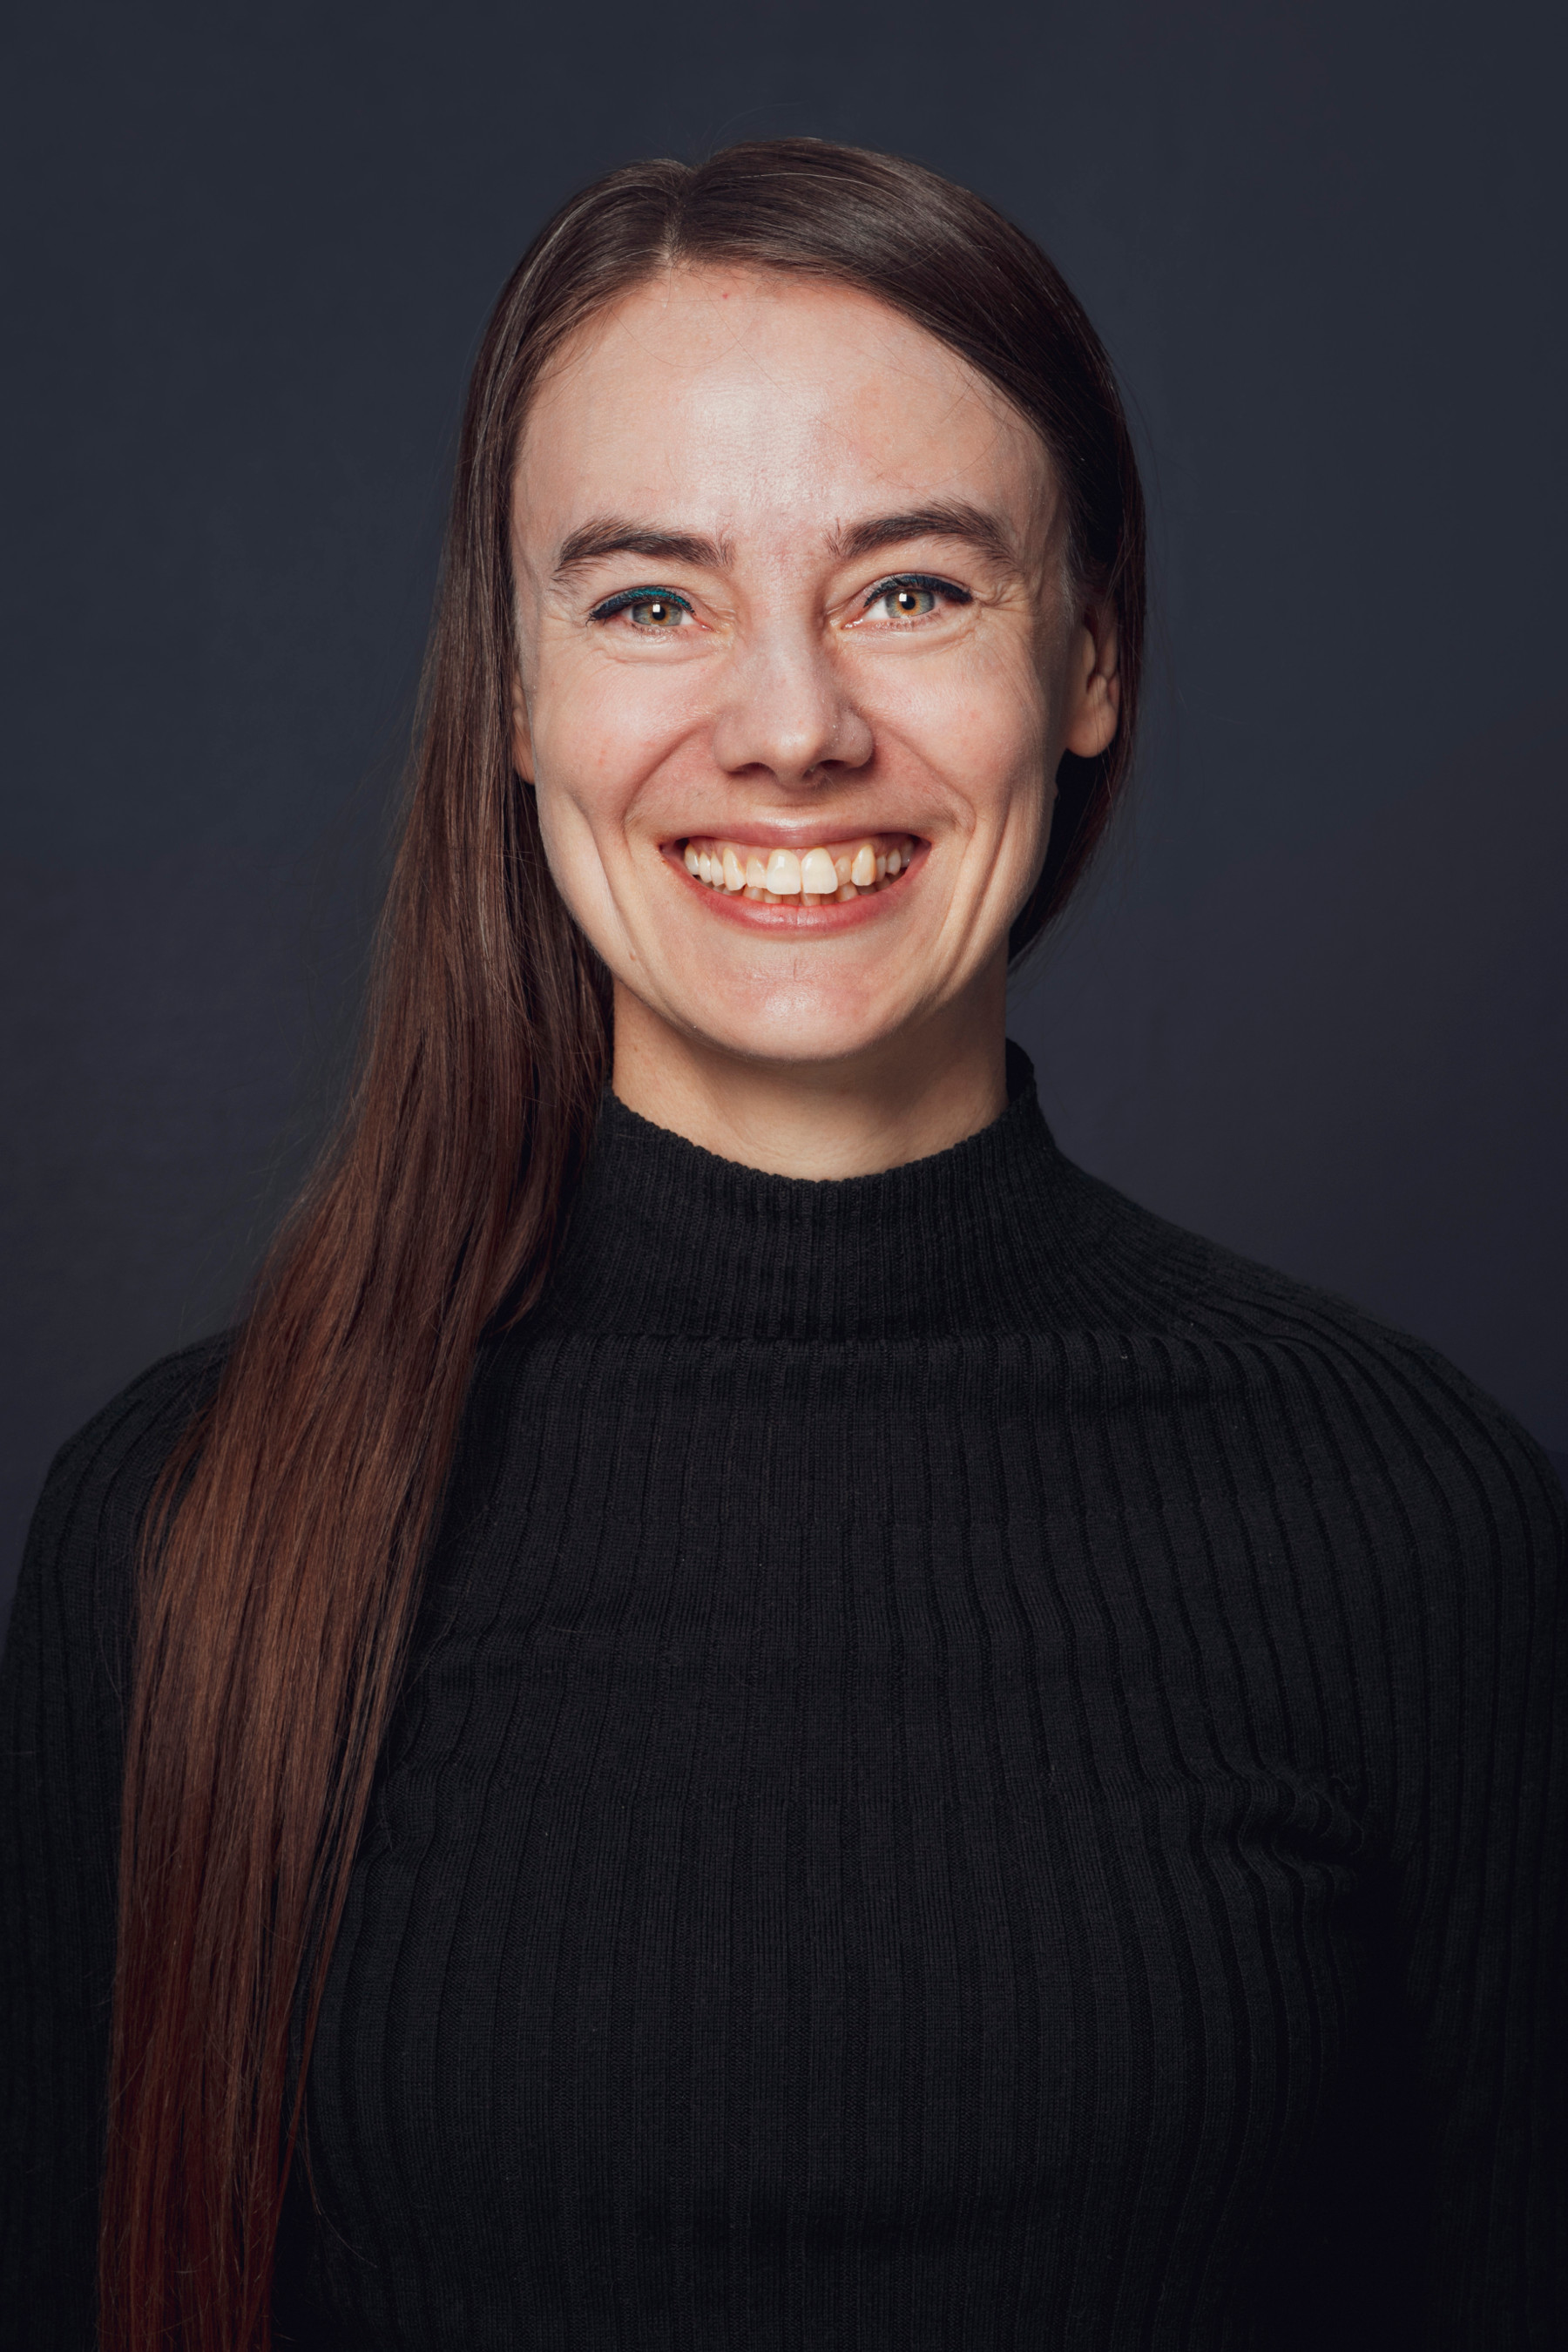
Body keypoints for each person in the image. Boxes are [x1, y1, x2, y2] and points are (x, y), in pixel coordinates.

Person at [1, 139, 1562, 2352]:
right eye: (652, 598)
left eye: (912, 589)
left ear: (1089, 659)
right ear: (518, 701)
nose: (794, 726)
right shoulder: (174, 1537)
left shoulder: (1420, 1524)